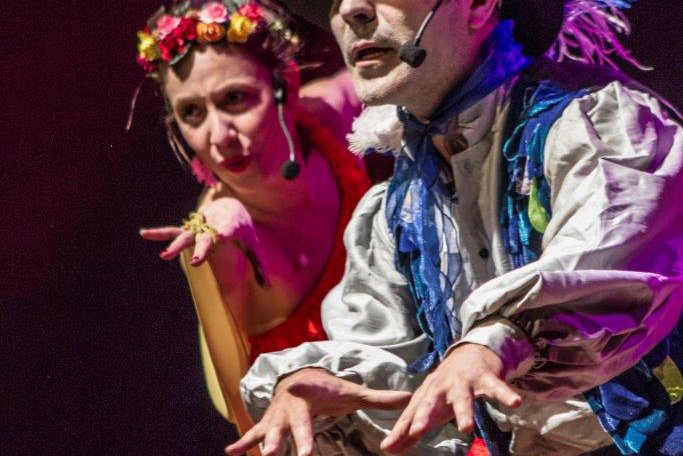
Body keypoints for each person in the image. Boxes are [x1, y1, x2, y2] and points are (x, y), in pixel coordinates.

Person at [228, 0, 683, 455]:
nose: (351, 9)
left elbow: (608, 264)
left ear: (479, 5)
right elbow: (391, 359)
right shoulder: (400, 204)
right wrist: (322, 383)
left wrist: (492, 343)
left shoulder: (597, 126)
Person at [135, 0, 372, 426]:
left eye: (235, 98)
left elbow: (381, 79)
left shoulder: (324, 117)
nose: (219, 135)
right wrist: (221, 246)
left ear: (287, 86)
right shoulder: (217, 239)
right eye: (192, 113)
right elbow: (235, 407)